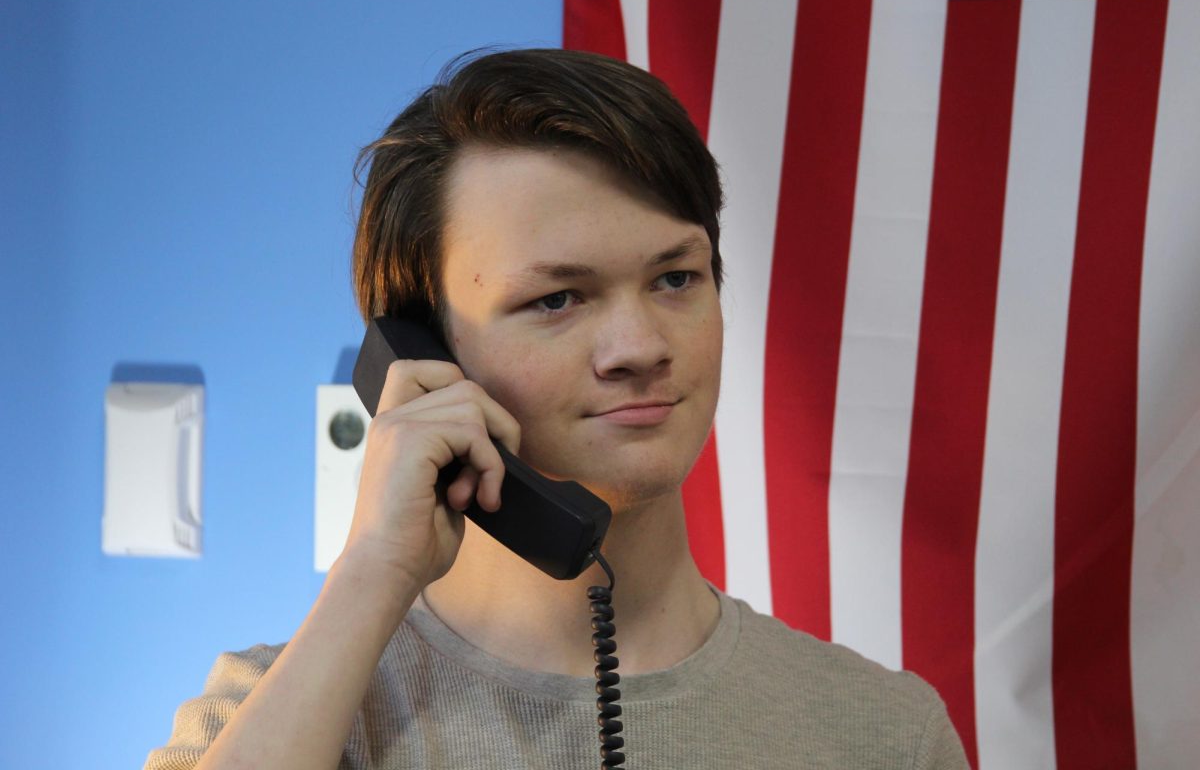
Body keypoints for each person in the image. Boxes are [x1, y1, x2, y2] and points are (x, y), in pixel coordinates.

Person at [144, 48, 969, 770]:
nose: (639, 345)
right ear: (422, 353)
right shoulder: (268, 715)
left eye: (676, 278)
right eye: (557, 299)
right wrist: (372, 575)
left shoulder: (885, 735)